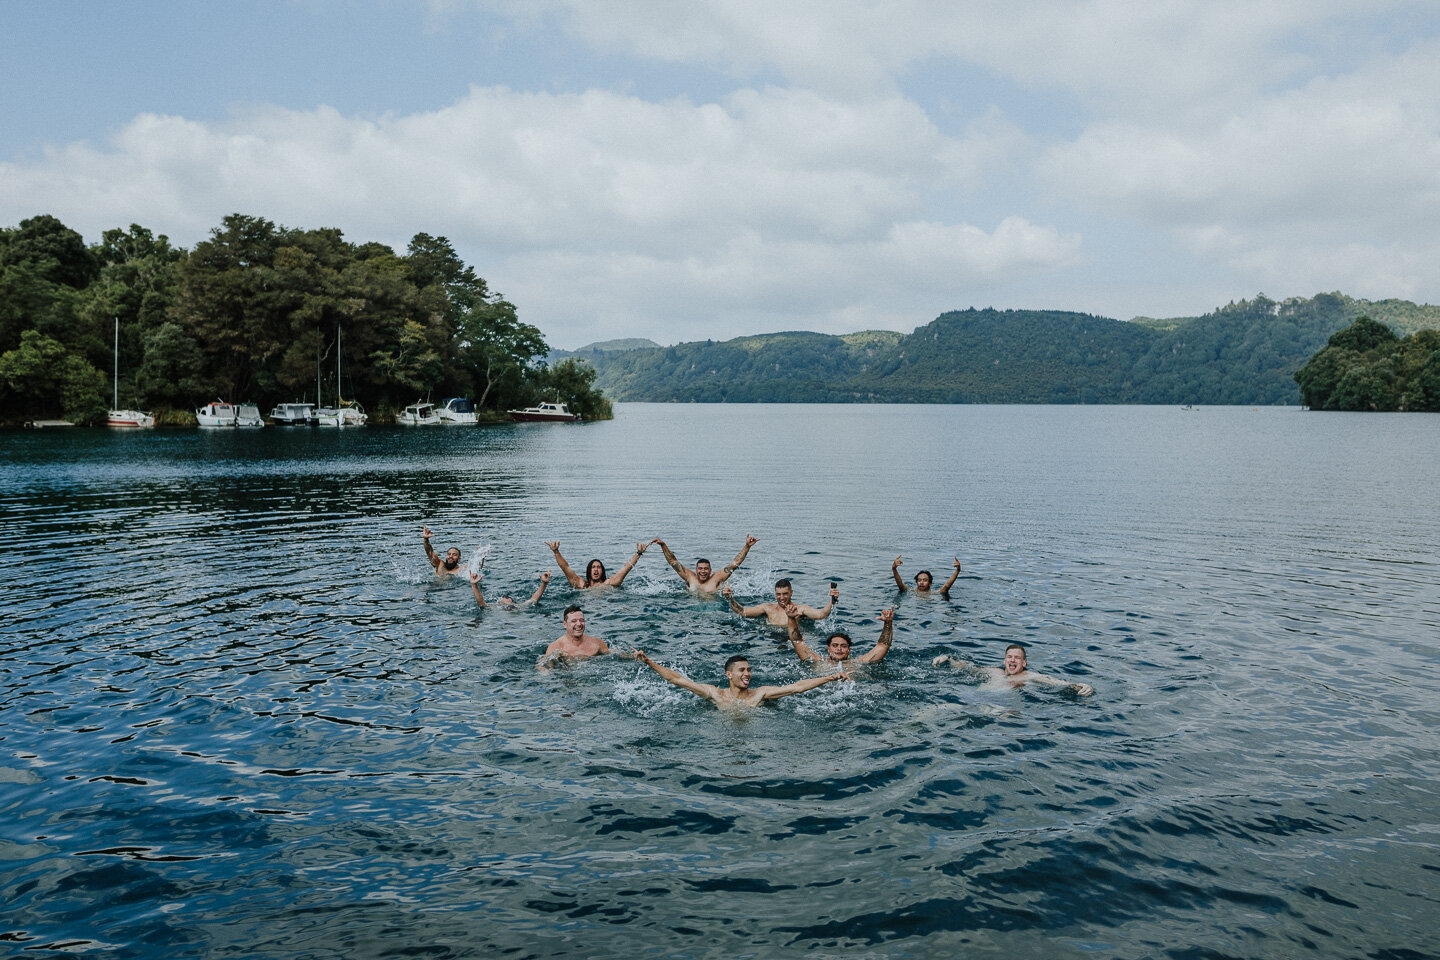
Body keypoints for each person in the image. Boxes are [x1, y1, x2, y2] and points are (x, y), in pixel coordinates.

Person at [630, 650, 849, 711]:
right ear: (729, 675)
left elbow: (796, 688)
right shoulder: (715, 694)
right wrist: (649, 662)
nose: (747, 674)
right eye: (742, 670)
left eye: (749, 670)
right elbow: (678, 679)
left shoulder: (760, 694)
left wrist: (830, 677)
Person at [932, 643, 1094, 696]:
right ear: (1004, 661)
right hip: (973, 698)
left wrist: (1082, 685)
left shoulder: (1029, 676)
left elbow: (1057, 683)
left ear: (1024, 663)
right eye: (1009, 657)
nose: (1012, 660)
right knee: (935, 710)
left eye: (1017, 658)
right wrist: (947, 658)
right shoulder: (995, 671)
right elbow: (968, 667)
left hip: (1000, 707)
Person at [786, 607, 895, 666]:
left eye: (843, 646)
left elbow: (882, 646)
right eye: (835, 645)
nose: (839, 649)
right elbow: (797, 641)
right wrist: (791, 619)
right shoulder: (818, 662)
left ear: (848, 650)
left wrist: (888, 624)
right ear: (829, 649)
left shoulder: (859, 663)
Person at [651, 534, 758, 593]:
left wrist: (747, 546)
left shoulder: (717, 578)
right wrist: (663, 545)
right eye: (700, 568)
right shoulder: (690, 577)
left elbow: (735, 563)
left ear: (710, 570)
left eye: (706, 569)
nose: (703, 571)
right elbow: (673, 561)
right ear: (696, 570)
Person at [723, 578, 837, 627]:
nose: (781, 597)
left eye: (785, 594)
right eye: (778, 594)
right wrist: (730, 598)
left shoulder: (800, 609)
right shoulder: (767, 608)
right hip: (771, 639)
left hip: (791, 639)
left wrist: (832, 601)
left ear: (791, 592)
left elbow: (821, 615)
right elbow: (742, 611)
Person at [546, 540, 648, 589]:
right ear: (589, 571)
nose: (596, 569)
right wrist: (556, 551)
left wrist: (638, 553)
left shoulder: (609, 583)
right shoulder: (581, 585)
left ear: (602, 571)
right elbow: (565, 568)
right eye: (593, 567)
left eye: (599, 567)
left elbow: (626, 568)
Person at [537, 605, 609, 669]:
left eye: (581, 620)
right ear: (565, 624)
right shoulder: (556, 647)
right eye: (574, 621)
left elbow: (612, 656)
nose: (579, 624)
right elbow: (544, 667)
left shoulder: (597, 643)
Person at [470, 570, 549, 608]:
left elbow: (534, 599)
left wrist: (544, 584)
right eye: (506, 598)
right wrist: (474, 585)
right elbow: (481, 603)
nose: (508, 599)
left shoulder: (519, 607)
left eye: (509, 598)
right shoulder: (495, 608)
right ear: (500, 602)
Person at [892, 555, 961, 594]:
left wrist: (957, 571)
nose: (921, 582)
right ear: (916, 582)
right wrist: (894, 569)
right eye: (919, 580)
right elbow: (900, 584)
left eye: (925, 580)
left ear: (930, 583)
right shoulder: (910, 592)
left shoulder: (934, 594)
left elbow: (947, 586)